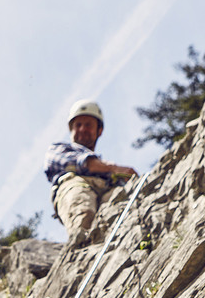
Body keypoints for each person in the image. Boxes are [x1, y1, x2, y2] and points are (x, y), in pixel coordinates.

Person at [45, 100, 138, 246]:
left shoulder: (105, 170)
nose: (82, 129)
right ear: (71, 129)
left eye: (88, 125)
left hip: (104, 191)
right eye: (78, 125)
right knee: (84, 211)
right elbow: (85, 163)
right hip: (73, 186)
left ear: (99, 131)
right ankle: (81, 247)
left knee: (120, 205)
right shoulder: (58, 149)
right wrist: (114, 169)